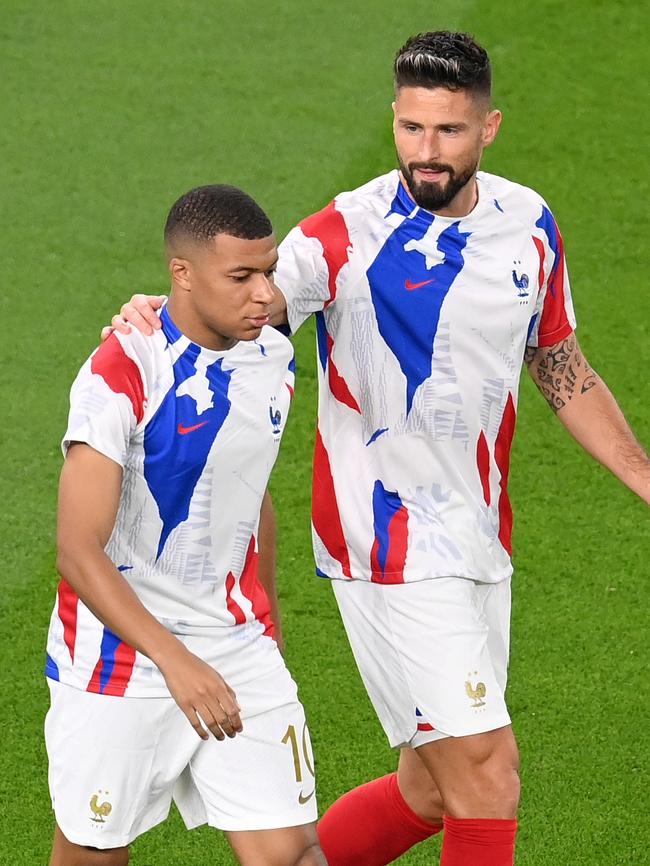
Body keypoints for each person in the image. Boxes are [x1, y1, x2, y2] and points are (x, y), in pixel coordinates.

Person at [107, 32, 650, 866]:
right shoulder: (343, 235)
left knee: (432, 790)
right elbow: (237, 303)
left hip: (477, 540)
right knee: (487, 775)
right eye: (411, 129)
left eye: (449, 133)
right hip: (386, 546)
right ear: (394, 119)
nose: (426, 154)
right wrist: (156, 310)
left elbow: (560, 364)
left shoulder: (529, 223)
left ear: (489, 127)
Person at [45, 184, 327, 866]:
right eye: (242, 277)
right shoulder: (123, 372)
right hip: (120, 663)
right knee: (92, 856)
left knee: (293, 855)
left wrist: (269, 634)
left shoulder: (273, 359)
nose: (265, 294)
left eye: (268, 271)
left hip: (237, 648)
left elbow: (249, 494)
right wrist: (176, 662)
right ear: (182, 274)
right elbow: (77, 551)